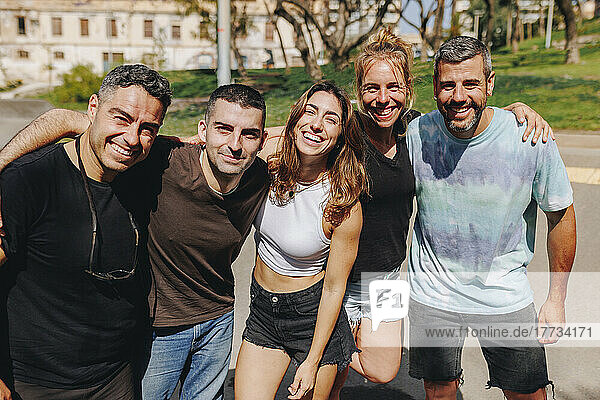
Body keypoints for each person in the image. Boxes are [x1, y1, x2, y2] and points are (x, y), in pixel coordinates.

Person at [0, 83, 270, 400]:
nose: (235, 144)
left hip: (219, 319)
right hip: (160, 327)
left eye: (249, 134)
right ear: (203, 130)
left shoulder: (260, 174)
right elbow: (61, 118)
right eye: (223, 129)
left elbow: (304, 140)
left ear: (261, 140)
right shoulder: (158, 158)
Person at [325, 28, 554, 398]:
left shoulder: (411, 129)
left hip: (387, 279)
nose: (383, 99)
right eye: (372, 88)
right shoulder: (344, 131)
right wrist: (220, 139)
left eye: (393, 88)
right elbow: (293, 132)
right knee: (327, 382)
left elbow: (472, 108)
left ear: (409, 89)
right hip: (336, 277)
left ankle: (324, 344)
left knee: (384, 369)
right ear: (359, 91)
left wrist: (516, 112)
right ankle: (317, 343)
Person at [405, 36, 576, 399]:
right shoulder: (417, 134)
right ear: (435, 87)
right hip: (433, 294)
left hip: (504, 296)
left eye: (470, 83)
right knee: (439, 389)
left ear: (490, 83)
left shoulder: (530, 138)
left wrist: (556, 298)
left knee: (528, 392)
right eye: (448, 84)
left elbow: (560, 215)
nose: (458, 96)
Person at [0, 64, 172, 400]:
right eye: (121, 118)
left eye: (148, 128)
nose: (132, 138)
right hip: (37, 383)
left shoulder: (141, 167)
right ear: (93, 108)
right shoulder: (29, 179)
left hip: (116, 377)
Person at [234, 81, 367, 400]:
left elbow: (335, 287)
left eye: (331, 119)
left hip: (312, 317)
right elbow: (222, 138)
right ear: (294, 120)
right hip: (264, 312)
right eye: (310, 112)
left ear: (339, 138)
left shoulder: (342, 202)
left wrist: (313, 360)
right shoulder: (269, 167)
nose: (317, 124)